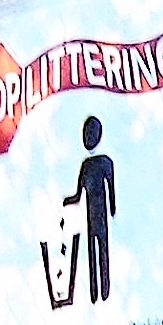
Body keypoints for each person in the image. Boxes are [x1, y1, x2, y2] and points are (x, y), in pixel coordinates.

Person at [63, 115, 118, 307]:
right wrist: (68, 200)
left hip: (100, 214)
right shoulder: (86, 165)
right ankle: (95, 293)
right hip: (91, 215)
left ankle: (104, 290)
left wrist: (112, 209)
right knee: (93, 251)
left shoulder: (104, 162)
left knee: (102, 249)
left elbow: (110, 188)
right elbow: (79, 194)